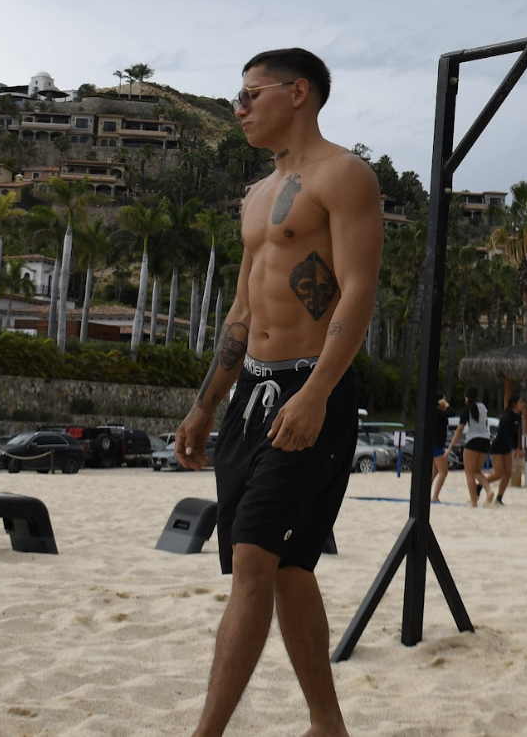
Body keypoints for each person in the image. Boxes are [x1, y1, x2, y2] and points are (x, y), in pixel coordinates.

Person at [174, 48, 383, 737]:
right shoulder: (257, 196)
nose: (238, 109)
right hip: (251, 394)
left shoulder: (343, 175)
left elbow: (358, 288)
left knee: (254, 558)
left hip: (308, 386)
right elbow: (241, 310)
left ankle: (206, 732)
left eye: (249, 94)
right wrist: (207, 403)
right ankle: (328, 724)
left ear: (298, 93)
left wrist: (318, 391)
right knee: (288, 567)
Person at [448, 387, 494, 507]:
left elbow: (460, 429)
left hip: (473, 440)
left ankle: (474, 502)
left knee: (469, 473)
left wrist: (450, 447)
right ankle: (489, 491)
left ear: (466, 397)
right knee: (477, 471)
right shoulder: (483, 407)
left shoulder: (467, 408)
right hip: (485, 441)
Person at [485, 392, 527, 505]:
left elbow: (516, 435)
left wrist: (517, 448)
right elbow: (507, 435)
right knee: (498, 474)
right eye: (520, 402)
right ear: (514, 404)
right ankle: (481, 484)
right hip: (497, 447)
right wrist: (515, 449)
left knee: (508, 473)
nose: (522, 404)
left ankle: (499, 498)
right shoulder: (507, 416)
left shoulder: (517, 416)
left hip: (507, 448)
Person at [428, 395, 453, 502]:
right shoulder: (438, 413)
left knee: (434, 472)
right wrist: (446, 404)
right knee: (443, 472)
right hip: (437, 445)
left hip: (435, 444)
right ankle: (435, 496)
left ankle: (425, 493)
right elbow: (452, 413)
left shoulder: (435, 413)